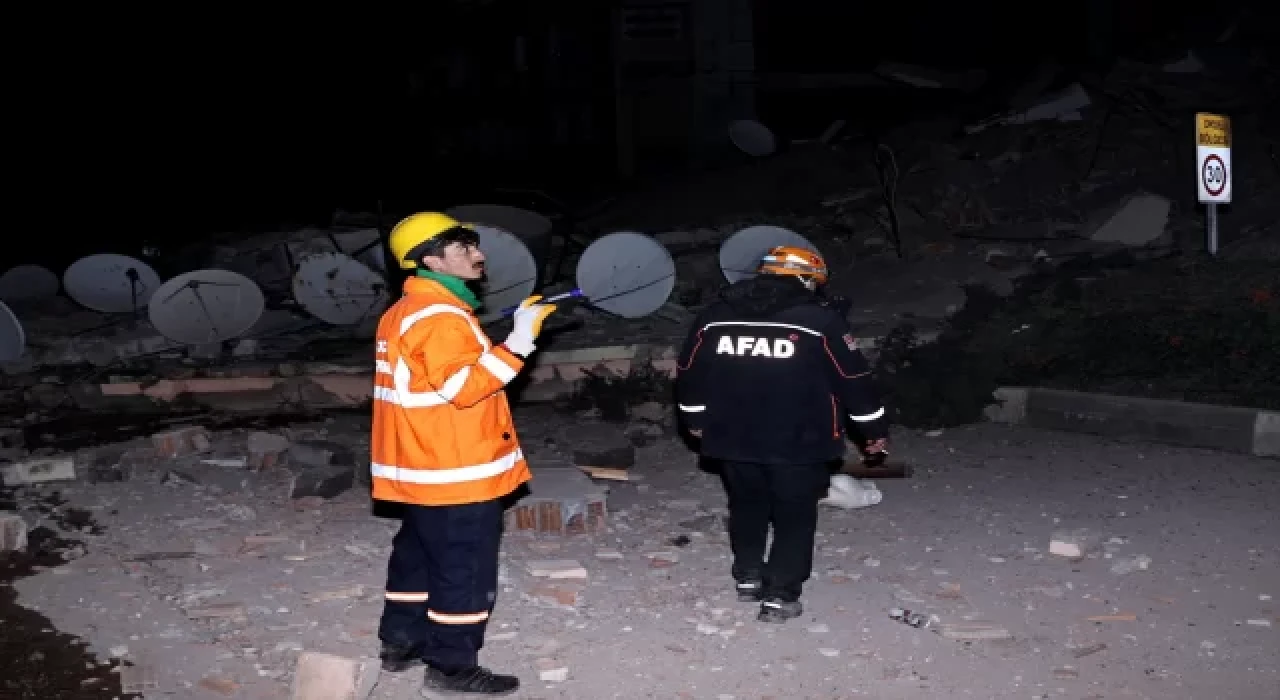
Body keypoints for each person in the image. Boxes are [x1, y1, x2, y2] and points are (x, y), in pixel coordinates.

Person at [372, 211, 556, 696]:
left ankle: (401, 642)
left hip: (421, 465)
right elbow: (463, 387)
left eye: (473, 246)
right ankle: (452, 666)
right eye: (462, 248)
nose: (478, 255)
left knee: (416, 556)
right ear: (431, 259)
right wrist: (520, 341)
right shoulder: (440, 317)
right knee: (464, 568)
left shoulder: (407, 310)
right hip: (455, 470)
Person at [675, 245, 889, 623]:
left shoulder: (713, 318)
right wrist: (873, 429)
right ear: (807, 279)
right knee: (794, 515)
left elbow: (691, 375)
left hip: (731, 437)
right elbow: (853, 380)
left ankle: (748, 575)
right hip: (800, 440)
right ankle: (780, 595)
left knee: (746, 504)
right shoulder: (820, 321)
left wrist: (695, 420)